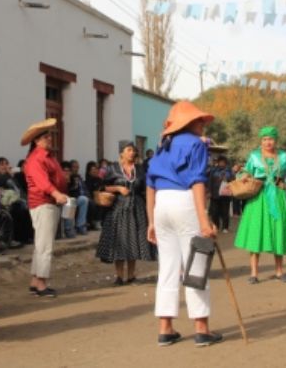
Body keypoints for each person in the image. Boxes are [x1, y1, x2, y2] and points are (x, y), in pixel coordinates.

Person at [147, 101, 223, 347]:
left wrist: (151, 221)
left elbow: (149, 184)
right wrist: (204, 220)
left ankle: (165, 328)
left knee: (168, 268)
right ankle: (201, 328)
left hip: (162, 205)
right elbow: (197, 181)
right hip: (184, 202)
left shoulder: (161, 147)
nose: (203, 125)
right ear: (189, 123)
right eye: (200, 121)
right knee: (196, 264)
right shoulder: (195, 144)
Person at [234, 126, 286, 284]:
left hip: (278, 197)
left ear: (276, 140)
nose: (268, 142)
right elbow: (246, 172)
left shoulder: (284, 157)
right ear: (261, 141)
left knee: (278, 230)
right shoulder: (254, 156)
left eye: (270, 139)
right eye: (264, 139)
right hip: (259, 197)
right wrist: (244, 176)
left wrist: (285, 183)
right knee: (256, 232)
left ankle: (279, 271)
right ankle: (254, 273)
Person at [96, 140, 156, 285]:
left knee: (133, 241)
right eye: (129, 150)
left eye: (133, 150)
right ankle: (119, 276)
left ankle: (130, 275)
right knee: (119, 242)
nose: (132, 152)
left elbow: (146, 187)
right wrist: (117, 189)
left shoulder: (140, 169)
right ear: (121, 153)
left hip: (137, 208)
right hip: (118, 208)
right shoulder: (113, 168)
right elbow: (102, 187)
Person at [21, 118, 68, 298]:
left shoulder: (46, 157)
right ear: (37, 140)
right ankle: (41, 282)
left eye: (49, 136)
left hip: (48, 203)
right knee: (45, 245)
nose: (50, 139)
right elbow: (42, 182)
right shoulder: (36, 159)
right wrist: (56, 194)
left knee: (41, 244)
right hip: (44, 202)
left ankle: (36, 280)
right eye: (46, 137)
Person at [207, 155, 233, 233]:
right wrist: (209, 192)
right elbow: (210, 182)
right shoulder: (213, 171)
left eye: (223, 162)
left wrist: (227, 179)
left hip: (225, 195)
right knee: (215, 212)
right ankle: (216, 226)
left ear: (225, 163)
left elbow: (233, 181)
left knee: (225, 212)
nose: (221, 163)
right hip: (215, 195)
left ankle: (225, 227)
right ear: (218, 162)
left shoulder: (229, 171)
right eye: (220, 162)